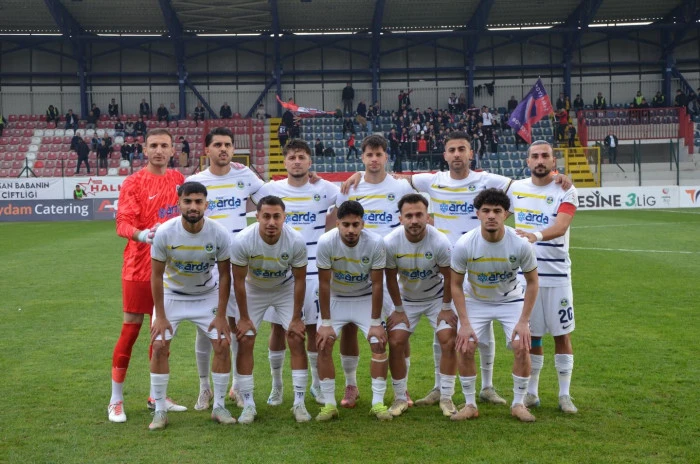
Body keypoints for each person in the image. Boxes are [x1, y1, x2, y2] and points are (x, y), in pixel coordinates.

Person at [251, 139, 340, 410]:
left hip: (312, 271)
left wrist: (357, 176)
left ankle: (315, 383)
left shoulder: (325, 188)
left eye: (302, 157)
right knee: (278, 329)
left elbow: (350, 199)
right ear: (285, 162)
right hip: (279, 272)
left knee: (311, 329)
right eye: (292, 157)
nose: (297, 162)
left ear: (310, 161)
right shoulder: (270, 189)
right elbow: (247, 197)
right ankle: (277, 386)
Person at [107, 128, 187, 423]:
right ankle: (116, 400)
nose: (159, 150)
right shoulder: (133, 182)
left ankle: (157, 396)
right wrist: (143, 235)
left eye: (164, 145)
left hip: (170, 270)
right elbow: (122, 224)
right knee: (131, 331)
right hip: (138, 267)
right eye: (153, 145)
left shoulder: (179, 180)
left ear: (172, 150)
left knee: (162, 333)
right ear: (144, 150)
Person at [186, 127, 265, 410]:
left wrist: (311, 177)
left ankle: (237, 387)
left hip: (236, 264)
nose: (223, 149)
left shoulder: (246, 177)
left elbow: (273, 196)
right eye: (218, 144)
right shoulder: (194, 181)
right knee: (205, 327)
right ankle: (204, 388)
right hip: (204, 264)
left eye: (228, 145)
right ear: (206, 150)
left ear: (233, 149)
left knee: (236, 324)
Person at [334, 135, 415, 408]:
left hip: (392, 269)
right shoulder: (350, 187)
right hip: (355, 267)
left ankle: (402, 389)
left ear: (386, 156)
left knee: (398, 331)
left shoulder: (400, 186)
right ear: (362, 157)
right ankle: (351, 385)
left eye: (379, 154)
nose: (374, 159)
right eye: (369, 154)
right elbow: (337, 223)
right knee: (348, 328)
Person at [148, 181, 235, 430]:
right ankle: (160, 410)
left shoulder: (219, 233)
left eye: (198, 202)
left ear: (206, 204)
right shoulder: (165, 232)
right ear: (179, 203)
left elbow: (225, 275)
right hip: (172, 295)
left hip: (205, 295)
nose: (193, 206)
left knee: (222, 344)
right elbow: (156, 276)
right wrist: (160, 316)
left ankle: (219, 407)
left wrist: (221, 314)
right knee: (159, 346)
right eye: (187, 201)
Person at [450, 188, 539, 422]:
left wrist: (523, 321)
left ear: (506, 214)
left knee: (522, 345)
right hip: (476, 300)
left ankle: (518, 404)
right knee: (465, 346)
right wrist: (464, 323)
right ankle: (470, 404)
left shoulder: (521, 244)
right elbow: (455, 285)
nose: (491, 216)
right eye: (486, 210)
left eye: (497, 211)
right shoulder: (464, 244)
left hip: (511, 300)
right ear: (477, 213)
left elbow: (532, 282)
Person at [508, 140, 578, 415]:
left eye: (545, 156)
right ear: (527, 161)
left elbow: (560, 227)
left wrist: (533, 236)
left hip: (558, 275)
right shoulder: (516, 189)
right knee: (532, 336)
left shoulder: (566, 189)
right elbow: (496, 213)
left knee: (562, 335)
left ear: (553, 161)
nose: (540, 160)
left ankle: (564, 395)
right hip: (526, 276)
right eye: (535, 156)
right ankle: (532, 393)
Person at [230, 195, 309, 423]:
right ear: (257, 217)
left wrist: (296, 318)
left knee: (296, 337)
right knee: (245, 339)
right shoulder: (243, 240)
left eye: (276, 217)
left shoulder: (296, 240)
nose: (271, 222)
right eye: (266, 216)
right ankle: (248, 404)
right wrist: (243, 318)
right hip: (253, 289)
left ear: (284, 217)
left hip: (284, 288)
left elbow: (300, 280)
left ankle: (299, 403)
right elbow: (238, 281)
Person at [315, 200, 391, 421]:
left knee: (378, 342)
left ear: (362, 224)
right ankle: (329, 405)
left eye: (355, 225)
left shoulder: (375, 243)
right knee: (324, 343)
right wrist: (326, 323)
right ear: (337, 224)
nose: (350, 230)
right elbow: (324, 284)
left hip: (364, 297)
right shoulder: (325, 242)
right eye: (346, 224)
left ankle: (378, 404)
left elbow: (377, 284)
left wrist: (376, 322)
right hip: (336, 297)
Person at [384, 193, 457, 418]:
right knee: (395, 341)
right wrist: (398, 309)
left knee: (448, 339)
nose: (414, 220)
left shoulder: (440, 242)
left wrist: (446, 307)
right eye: (409, 216)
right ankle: (400, 398)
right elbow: (390, 278)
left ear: (428, 217)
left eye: (419, 215)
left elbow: (450, 277)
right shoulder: (390, 242)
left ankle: (446, 397)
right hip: (406, 301)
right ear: (400, 218)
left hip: (437, 299)